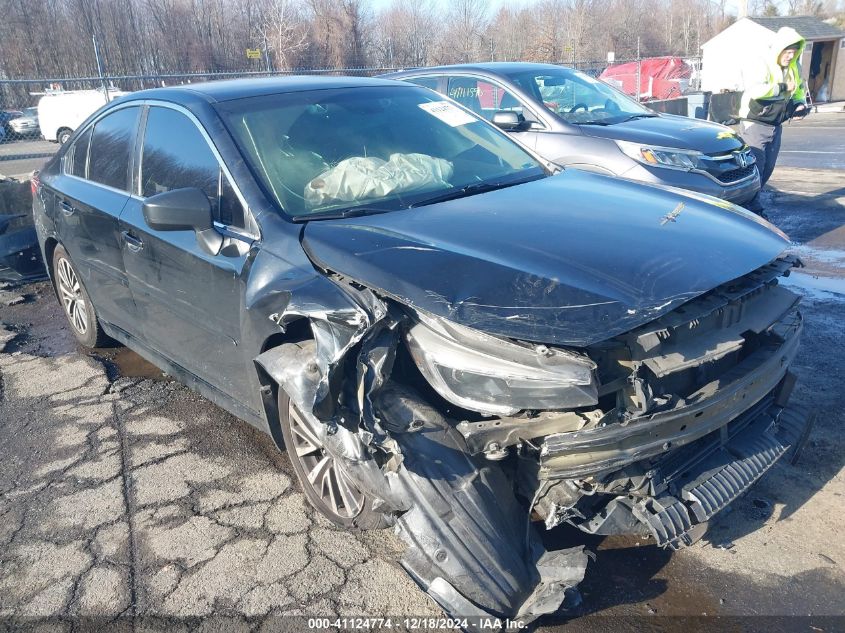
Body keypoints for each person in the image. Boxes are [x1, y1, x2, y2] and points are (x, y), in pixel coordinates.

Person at [739, 27, 809, 213]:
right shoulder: (762, 63)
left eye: (793, 52)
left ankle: (751, 203)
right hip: (755, 122)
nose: (789, 56)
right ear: (779, 49)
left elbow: (799, 89)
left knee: (768, 168)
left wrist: (799, 104)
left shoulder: (794, 66)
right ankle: (752, 209)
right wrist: (782, 87)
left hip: (775, 124)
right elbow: (755, 90)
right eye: (787, 52)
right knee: (756, 169)